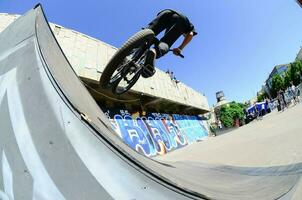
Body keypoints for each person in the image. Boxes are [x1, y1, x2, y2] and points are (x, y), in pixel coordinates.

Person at [142, 9, 197, 78]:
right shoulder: (189, 25)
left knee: (147, 33)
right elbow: (191, 34)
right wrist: (180, 48)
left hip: (166, 12)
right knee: (165, 43)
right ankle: (154, 51)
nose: (183, 35)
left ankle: (135, 46)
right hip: (181, 20)